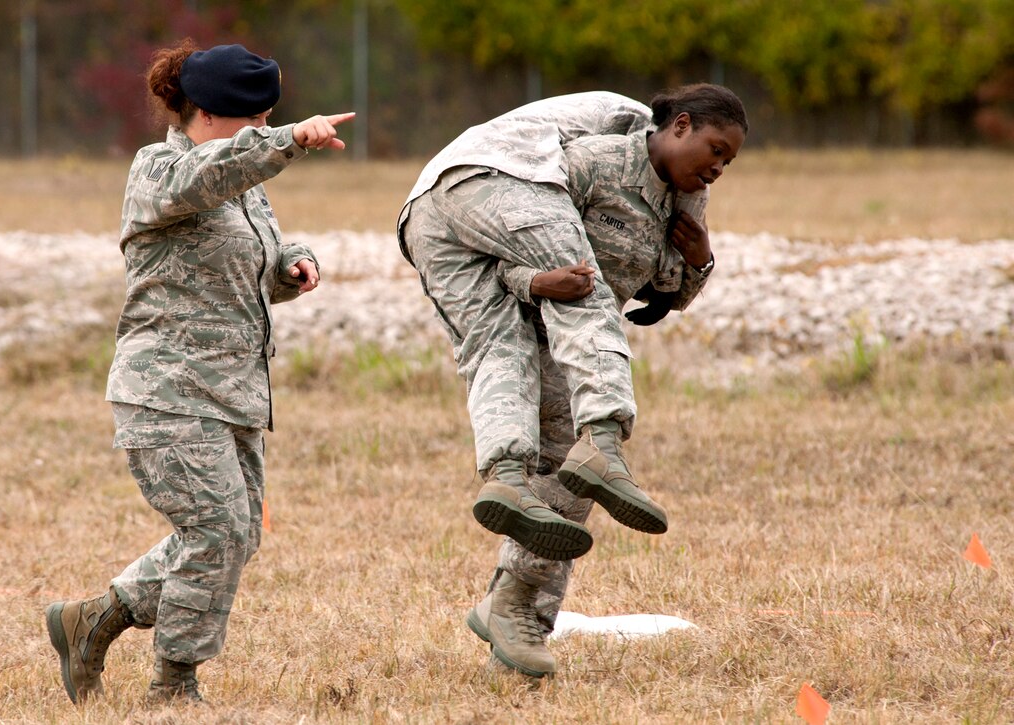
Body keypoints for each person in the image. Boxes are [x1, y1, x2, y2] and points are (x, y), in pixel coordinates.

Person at [397, 85, 747, 677]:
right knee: (586, 301)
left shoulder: (686, 203)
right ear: (679, 125)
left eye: (729, 161)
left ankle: (516, 611)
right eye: (714, 149)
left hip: (545, 321)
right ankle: (605, 441)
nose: (717, 168)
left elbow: (669, 290)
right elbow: (512, 238)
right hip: (496, 237)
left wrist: (701, 257)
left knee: (561, 454)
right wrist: (535, 279)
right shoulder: (587, 159)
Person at [45, 39, 353, 706]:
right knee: (214, 529)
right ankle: (173, 686)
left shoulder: (245, 181)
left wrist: (289, 265)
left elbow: (251, 255)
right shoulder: (158, 170)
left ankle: (93, 617)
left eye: (274, 118)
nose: (266, 131)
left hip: (234, 392)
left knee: (235, 536)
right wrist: (292, 140)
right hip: (168, 391)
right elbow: (203, 181)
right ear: (210, 116)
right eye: (258, 120)